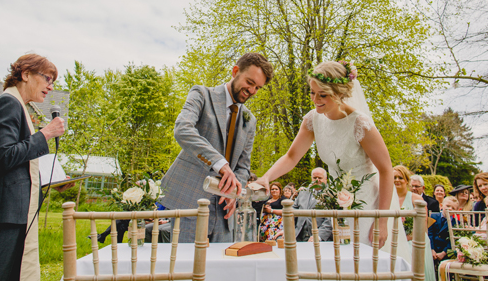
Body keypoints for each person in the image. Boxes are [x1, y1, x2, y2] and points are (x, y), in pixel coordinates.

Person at [256, 61, 407, 258]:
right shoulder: (313, 119)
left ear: (339, 93)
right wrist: (266, 177)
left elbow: (386, 170)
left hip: (367, 208)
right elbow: (291, 156)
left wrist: (382, 220)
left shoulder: (360, 123)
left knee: (364, 263)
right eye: (312, 92)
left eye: (323, 95)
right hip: (337, 206)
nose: (315, 99)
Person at [0, 54, 69, 281]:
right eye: (48, 79)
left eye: (53, 82)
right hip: (1, 215)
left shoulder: (19, 107)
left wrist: (49, 181)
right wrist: (46, 133)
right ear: (26, 74)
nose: (50, 87)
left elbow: (16, 164)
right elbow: (3, 156)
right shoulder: (6, 104)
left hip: (12, 214)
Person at [160, 53, 274, 242]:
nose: (252, 90)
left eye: (258, 87)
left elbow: (243, 166)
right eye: (250, 82)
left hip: (226, 213)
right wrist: (219, 164)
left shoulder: (250, 120)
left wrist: (234, 193)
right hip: (190, 202)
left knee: (223, 268)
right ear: (235, 71)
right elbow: (183, 129)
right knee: (187, 268)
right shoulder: (202, 94)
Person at [393, 166, 435, 281]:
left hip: (415, 240)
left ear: (407, 181)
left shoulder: (416, 199)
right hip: (396, 238)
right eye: (394, 177)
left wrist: (406, 238)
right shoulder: (390, 199)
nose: (396, 180)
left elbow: (423, 226)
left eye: (400, 177)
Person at [428, 196, 459, 272]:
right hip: (432, 248)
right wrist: (431, 249)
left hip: (445, 251)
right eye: (448, 206)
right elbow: (430, 233)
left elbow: (453, 240)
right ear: (441, 206)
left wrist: (444, 252)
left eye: (453, 208)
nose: (450, 209)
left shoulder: (456, 223)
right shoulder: (433, 216)